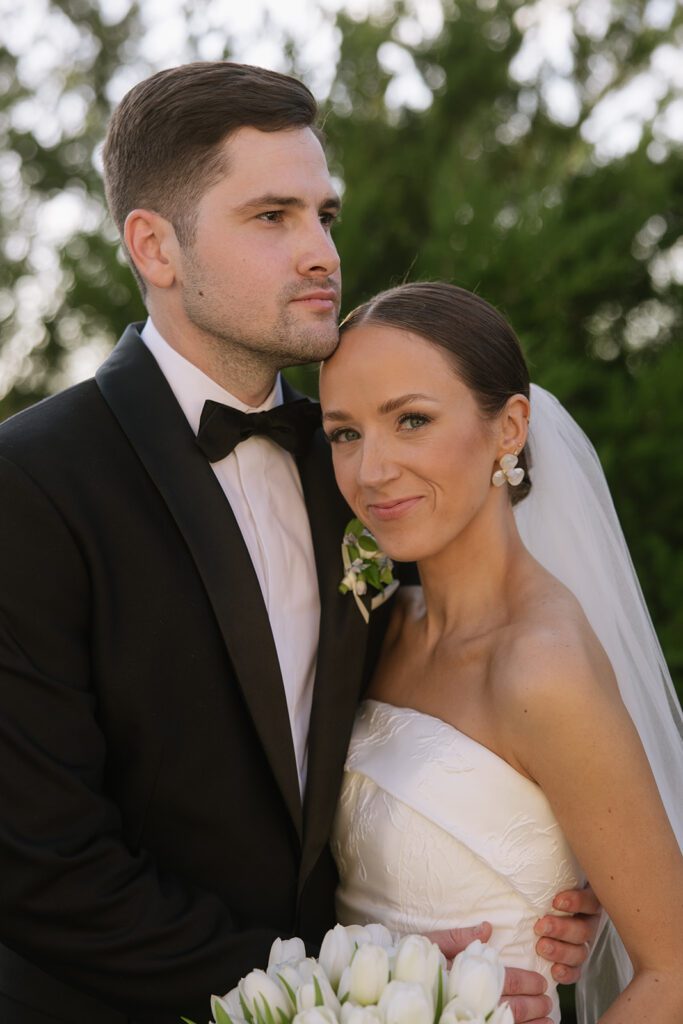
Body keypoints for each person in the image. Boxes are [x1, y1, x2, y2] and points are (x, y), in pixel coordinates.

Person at [0, 65, 596, 1024]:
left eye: (326, 214)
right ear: (154, 246)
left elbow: (479, 686)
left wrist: (565, 862)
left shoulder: (369, 466)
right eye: (272, 216)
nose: (321, 251)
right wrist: (341, 988)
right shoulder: (29, 483)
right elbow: (40, 866)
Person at [319, 281, 683, 1023]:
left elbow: (673, 973)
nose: (371, 470)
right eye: (344, 433)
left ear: (509, 427)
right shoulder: (381, 625)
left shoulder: (541, 666)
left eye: (410, 420)